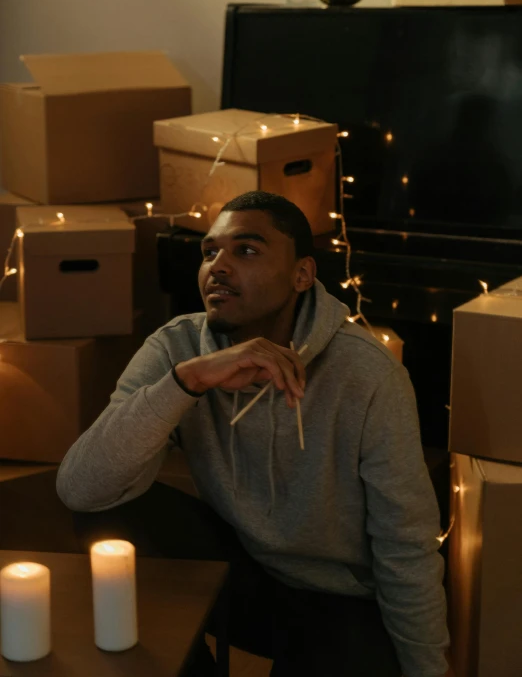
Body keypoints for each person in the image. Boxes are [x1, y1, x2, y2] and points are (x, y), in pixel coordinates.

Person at [57, 191, 450, 677]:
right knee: (107, 515)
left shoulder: (367, 375)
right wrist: (189, 381)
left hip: (337, 600)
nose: (217, 266)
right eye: (209, 252)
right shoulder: (177, 348)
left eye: (245, 250)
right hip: (241, 569)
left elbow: (405, 542)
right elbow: (79, 487)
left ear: (302, 274)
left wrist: (428, 669)